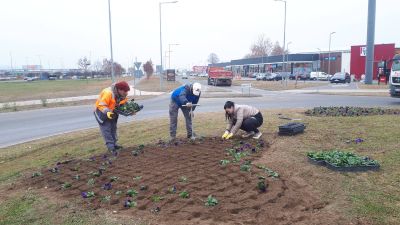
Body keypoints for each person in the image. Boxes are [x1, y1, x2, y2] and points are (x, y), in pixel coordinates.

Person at [94, 81, 130, 152]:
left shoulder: (122, 95)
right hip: (102, 113)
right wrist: (108, 112)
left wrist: (129, 111)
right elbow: (101, 105)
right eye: (124, 91)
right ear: (119, 89)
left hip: (112, 112)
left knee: (113, 128)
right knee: (107, 130)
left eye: (127, 91)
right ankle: (111, 147)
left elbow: (122, 104)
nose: (126, 93)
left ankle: (115, 144)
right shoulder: (108, 93)